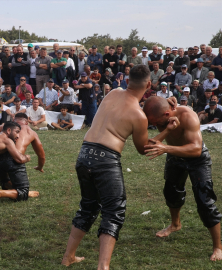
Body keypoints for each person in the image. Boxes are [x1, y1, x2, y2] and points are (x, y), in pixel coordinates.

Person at [61, 65, 179, 268]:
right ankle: (103, 266)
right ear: (149, 84)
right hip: (105, 159)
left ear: (125, 80)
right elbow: (144, 149)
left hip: (84, 154)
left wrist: (161, 104)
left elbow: (127, 105)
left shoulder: (113, 93)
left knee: (88, 207)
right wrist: (167, 130)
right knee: (113, 211)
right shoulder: (139, 116)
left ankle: (68, 257)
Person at [143, 96, 222, 261]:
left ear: (167, 114)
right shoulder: (161, 114)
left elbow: (196, 149)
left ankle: (218, 247)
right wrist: (167, 131)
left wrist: (165, 148)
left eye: (157, 123)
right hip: (174, 155)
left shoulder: (188, 116)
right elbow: (148, 145)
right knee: (171, 192)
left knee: (204, 200)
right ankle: (175, 225)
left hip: (197, 158)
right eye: (153, 124)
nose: (155, 126)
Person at [0, 113, 45, 206]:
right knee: (23, 192)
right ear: (27, 122)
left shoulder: (4, 127)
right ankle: (1, 192)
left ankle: (9, 187)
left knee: (5, 182)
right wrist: (40, 166)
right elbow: (41, 155)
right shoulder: (31, 132)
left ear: (14, 120)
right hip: (15, 160)